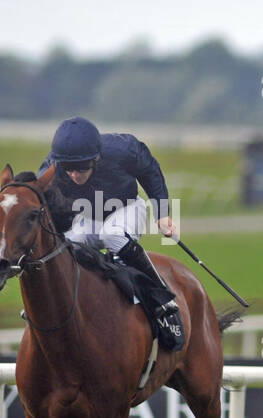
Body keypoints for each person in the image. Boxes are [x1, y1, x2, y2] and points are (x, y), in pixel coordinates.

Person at [38, 116, 183, 344]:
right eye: (68, 169)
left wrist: (163, 214)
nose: (75, 175)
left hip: (127, 209)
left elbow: (149, 169)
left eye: (82, 167)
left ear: (96, 158)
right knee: (66, 244)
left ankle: (161, 296)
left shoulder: (121, 149)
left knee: (111, 234)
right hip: (89, 218)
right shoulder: (52, 167)